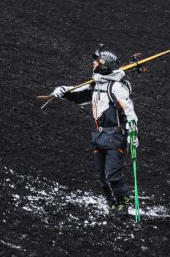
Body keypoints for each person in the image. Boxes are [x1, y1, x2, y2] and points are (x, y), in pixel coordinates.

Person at [52, 48, 138, 214]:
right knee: (101, 177)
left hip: (115, 136)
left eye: (97, 61)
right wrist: (63, 92)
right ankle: (111, 203)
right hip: (99, 136)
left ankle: (124, 201)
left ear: (104, 66)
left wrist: (133, 135)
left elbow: (129, 112)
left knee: (112, 174)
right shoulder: (97, 85)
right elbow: (80, 95)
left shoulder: (117, 88)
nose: (93, 63)